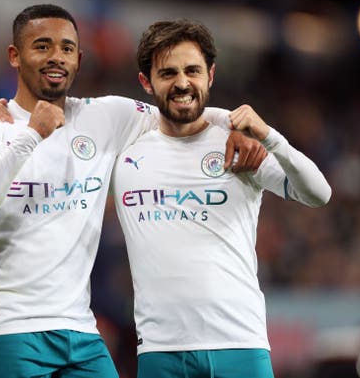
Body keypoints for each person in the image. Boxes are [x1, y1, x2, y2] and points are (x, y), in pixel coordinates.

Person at [0, 4, 266, 378]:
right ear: (15, 56)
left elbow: (178, 107)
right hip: (6, 329)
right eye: (42, 46)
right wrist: (31, 136)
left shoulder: (106, 117)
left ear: (79, 59)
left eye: (66, 48)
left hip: (80, 330)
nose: (56, 57)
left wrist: (234, 126)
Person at [110, 19, 332, 378]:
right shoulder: (123, 149)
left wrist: (270, 137)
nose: (182, 82)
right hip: (161, 351)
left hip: (240, 345)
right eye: (168, 73)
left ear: (210, 75)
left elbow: (319, 194)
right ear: (146, 82)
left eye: (192, 70)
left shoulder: (240, 147)